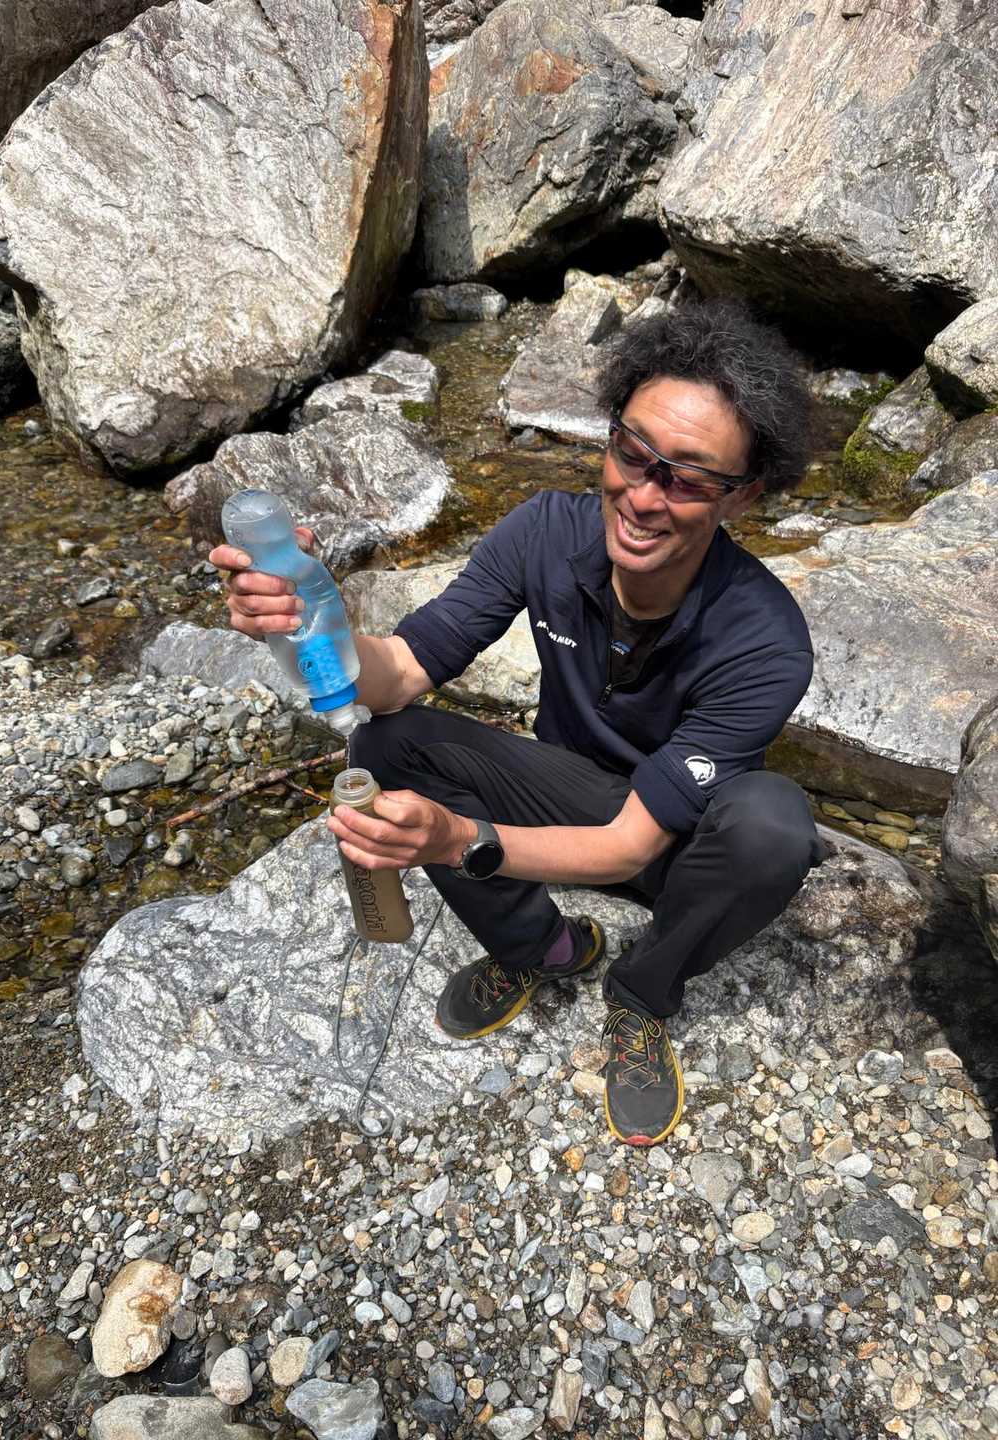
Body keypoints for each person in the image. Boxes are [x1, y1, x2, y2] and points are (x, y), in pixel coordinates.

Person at [209, 298, 826, 1147]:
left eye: (688, 479)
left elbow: (631, 848)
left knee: (774, 826)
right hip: (567, 796)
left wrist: (459, 840)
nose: (644, 496)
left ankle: (643, 994)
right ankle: (543, 948)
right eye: (632, 452)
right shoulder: (542, 533)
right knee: (384, 742)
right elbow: (401, 674)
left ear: (743, 496)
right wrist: (313, 622)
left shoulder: (765, 640)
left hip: (674, 846)